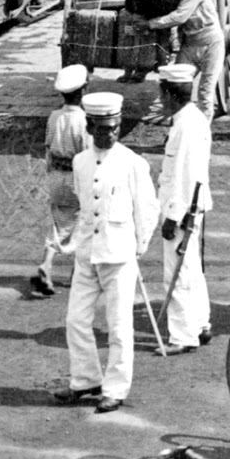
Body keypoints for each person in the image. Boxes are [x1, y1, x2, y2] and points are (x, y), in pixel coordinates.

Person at [55, 92, 159, 413]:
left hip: (119, 256)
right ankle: (86, 380)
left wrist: (137, 248)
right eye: (102, 129)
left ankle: (115, 388)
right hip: (87, 254)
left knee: (118, 326)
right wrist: (76, 249)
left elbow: (147, 209)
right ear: (89, 126)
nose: (109, 134)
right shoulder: (80, 162)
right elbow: (82, 206)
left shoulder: (132, 163)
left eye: (114, 128)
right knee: (75, 321)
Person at [155, 64, 214, 354]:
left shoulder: (186, 126)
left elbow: (185, 174)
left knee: (177, 274)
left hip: (183, 209)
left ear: (169, 94)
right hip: (190, 206)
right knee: (191, 269)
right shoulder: (192, 119)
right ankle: (201, 323)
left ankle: (182, 335)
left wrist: (173, 216)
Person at [30, 63, 89, 298]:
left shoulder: (54, 116)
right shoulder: (83, 120)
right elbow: (86, 154)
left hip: (56, 175)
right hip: (75, 177)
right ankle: (76, 272)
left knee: (59, 221)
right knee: (83, 222)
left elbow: (47, 146)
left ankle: (48, 265)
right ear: (83, 91)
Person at [144, 0, 226, 119]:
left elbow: (179, 16)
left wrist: (150, 24)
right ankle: (178, 130)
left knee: (205, 93)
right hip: (189, 45)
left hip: (211, 44)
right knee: (175, 87)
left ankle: (202, 135)